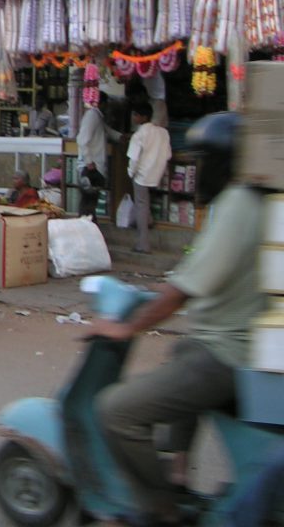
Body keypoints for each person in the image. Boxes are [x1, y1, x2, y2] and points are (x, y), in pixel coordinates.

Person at [92, 112, 270, 527]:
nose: (197, 171)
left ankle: (160, 510)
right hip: (234, 344)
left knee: (116, 411)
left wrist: (125, 327)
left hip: (226, 354)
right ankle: (176, 471)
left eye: (203, 161)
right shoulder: (257, 200)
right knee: (180, 350)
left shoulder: (237, 204)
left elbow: (184, 290)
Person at [126, 101, 171, 254]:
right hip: (158, 174)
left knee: (141, 206)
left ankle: (143, 244)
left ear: (141, 117)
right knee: (144, 205)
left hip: (142, 176)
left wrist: (131, 173)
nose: (133, 117)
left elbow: (134, 159)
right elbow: (168, 155)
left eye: (135, 115)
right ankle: (146, 220)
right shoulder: (163, 132)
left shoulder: (139, 135)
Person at [77, 91, 122, 218]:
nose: (107, 108)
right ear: (100, 103)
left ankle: (88, 229)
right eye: (106, 104)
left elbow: (107, 130)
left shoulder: (97, 116)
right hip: (91, 167)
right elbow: (82, 139)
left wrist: (121, 137)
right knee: (89, 203)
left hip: (94, 166)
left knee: (90, 203)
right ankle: (86, 230)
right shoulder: (92, 116)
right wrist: (89, 161)